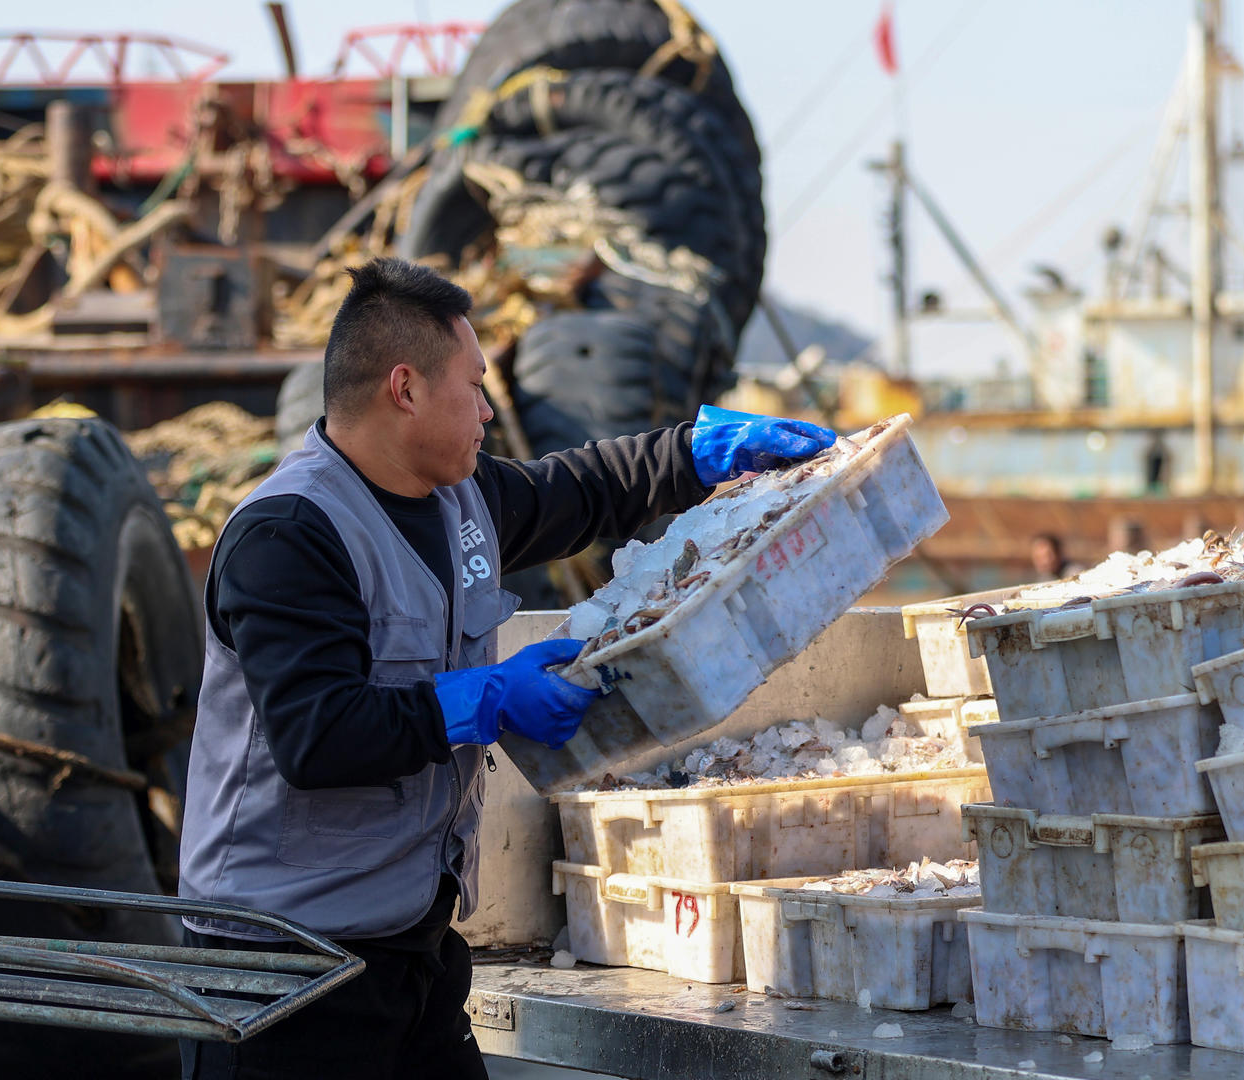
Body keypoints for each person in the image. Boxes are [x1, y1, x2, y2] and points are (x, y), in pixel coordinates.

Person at [175, 258, 834, 1079]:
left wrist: (693, 454)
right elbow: (318, 736)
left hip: (410, 950)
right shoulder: (287, 534)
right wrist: (489, 696)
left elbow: (581, 489)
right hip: (280, 975)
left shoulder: (460, 497)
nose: (488, 410)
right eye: (475, 386)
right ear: (405, 389)